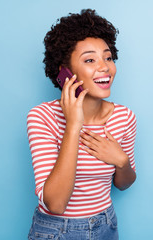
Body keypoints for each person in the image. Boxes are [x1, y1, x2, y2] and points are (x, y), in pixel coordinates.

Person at [26, 9, 137, 240]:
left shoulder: (124, 117)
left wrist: (122, 161)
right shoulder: (42, 117)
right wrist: (73, 126)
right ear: (65, 73)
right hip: (56, 230)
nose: (105, 67)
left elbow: (124, 184)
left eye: (108, 57)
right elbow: (55, 203)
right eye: (89, 60)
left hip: (106, 224)